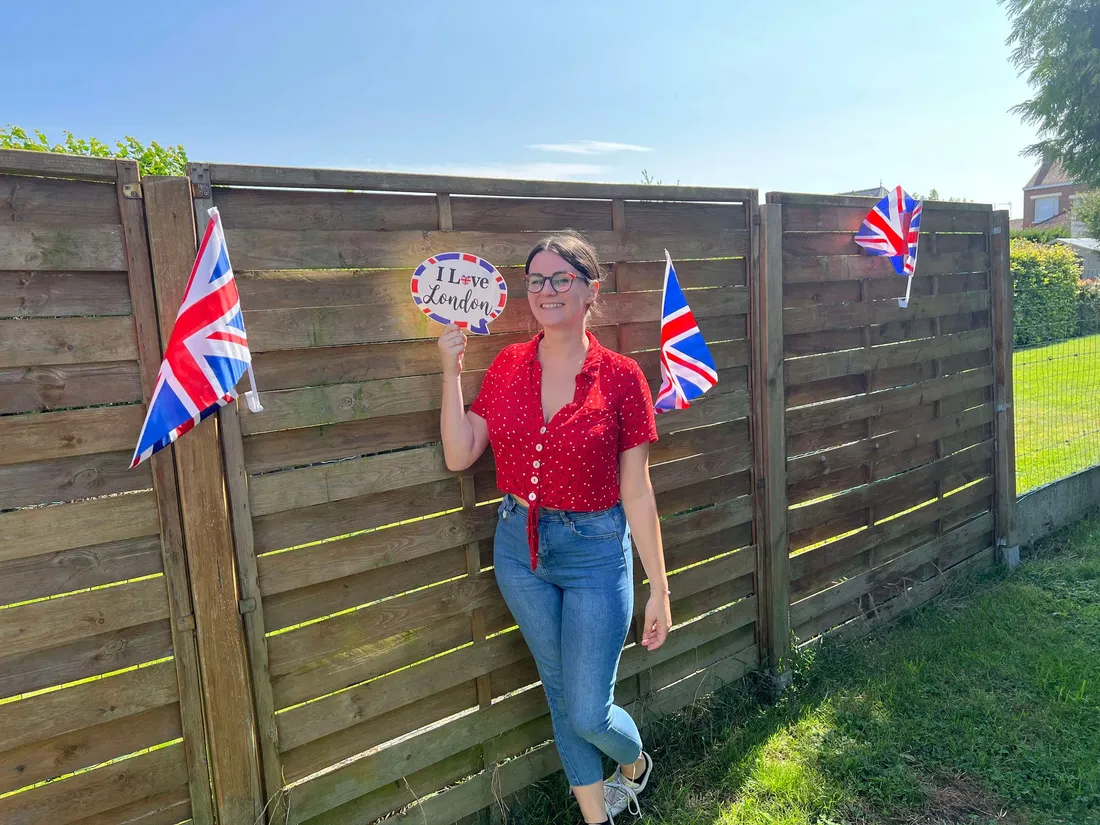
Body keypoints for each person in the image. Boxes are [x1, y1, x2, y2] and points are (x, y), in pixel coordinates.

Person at [437, 231, 672, 824]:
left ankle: (636, 766)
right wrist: (450, 370)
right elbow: (460, 453)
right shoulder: (508, 365)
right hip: (519, 548)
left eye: (561, 278)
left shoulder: (621, 378)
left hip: (595, 553)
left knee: (588, 711)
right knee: (559, 691)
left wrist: (659, 588)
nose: (547, 290)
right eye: (536, 280)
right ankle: (598, 818)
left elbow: (637, 490)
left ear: (591, 290)